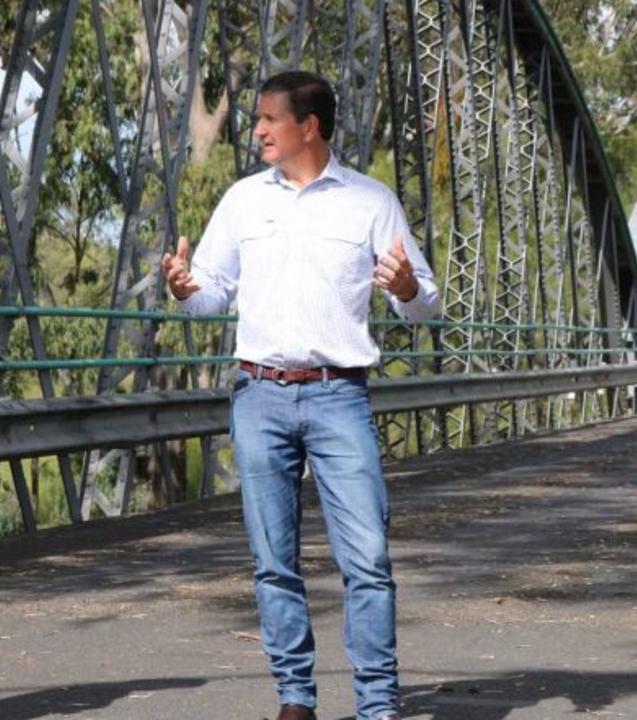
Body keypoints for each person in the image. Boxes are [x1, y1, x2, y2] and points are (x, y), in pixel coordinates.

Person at [163, 70, 438, 720]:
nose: (255, 129)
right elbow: (208, 297)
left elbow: (423, 306)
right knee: (272, 563)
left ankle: (377, 707)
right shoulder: (241, 201)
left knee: (367, 558)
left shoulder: (370, 203)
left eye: (267, 119)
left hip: (338, 397)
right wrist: (181, 287)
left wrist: (403, 287)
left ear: (307, 126)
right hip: (258, 395)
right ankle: (295, 700)